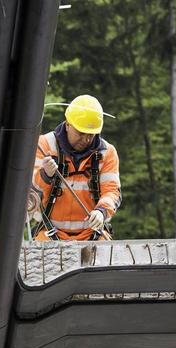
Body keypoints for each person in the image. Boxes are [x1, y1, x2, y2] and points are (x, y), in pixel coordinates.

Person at [29, 95, 121, 241]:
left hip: (92, 234)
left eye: (91, 134)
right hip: (50, 233)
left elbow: (112, 191)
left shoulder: (107, 153)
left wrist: (101, 211)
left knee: (108, 256)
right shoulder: (44, 145)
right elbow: (30, 194)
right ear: (67, 124)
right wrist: (45, 175)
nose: (86, 139)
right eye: (81, 133)